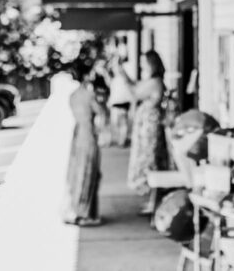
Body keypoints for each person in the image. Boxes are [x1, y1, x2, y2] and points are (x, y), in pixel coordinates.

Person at [114, 50, 168, 214]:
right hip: (145, 126)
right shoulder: (151, 80)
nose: (142, 66)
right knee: (149, 163)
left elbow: (135, 93)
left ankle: (155, 202)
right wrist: (123, 73)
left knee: (150, 162)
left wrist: (122, 74)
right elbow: (136, 86)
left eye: (145, 63)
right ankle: (152, 201)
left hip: (149, 129)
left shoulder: (156, 82)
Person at [63, 60, 107, 226]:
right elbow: (101, 111)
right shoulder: (89, 95)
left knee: (77, 171)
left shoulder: (73, 95)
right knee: (89, 172)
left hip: (77, 133)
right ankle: (85, 212)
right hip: (88, 133)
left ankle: (78, 208)